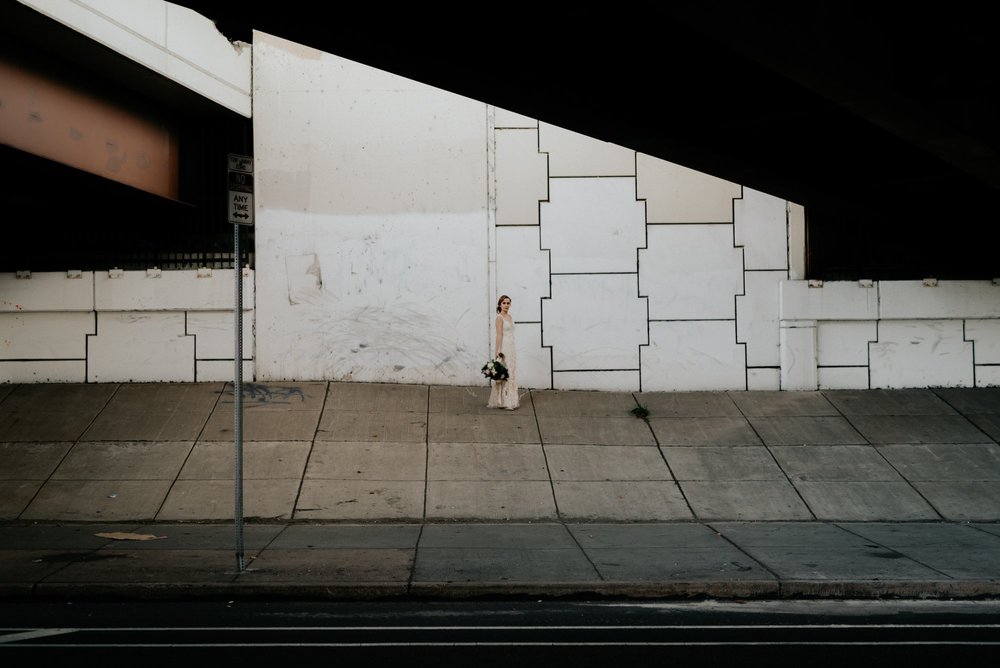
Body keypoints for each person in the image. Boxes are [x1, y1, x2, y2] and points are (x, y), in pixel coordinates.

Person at [487, 294, 519, 410]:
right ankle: (503, 401)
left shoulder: (510, 317)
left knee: (512, 371)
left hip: (512, 346)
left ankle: (510, 400)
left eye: (508, 303)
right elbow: (499, 335)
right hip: (504, 347)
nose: (506, 305)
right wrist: (497, 351)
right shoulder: (499, 318)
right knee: (504, 373)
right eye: (504, 303)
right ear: (500, 304)